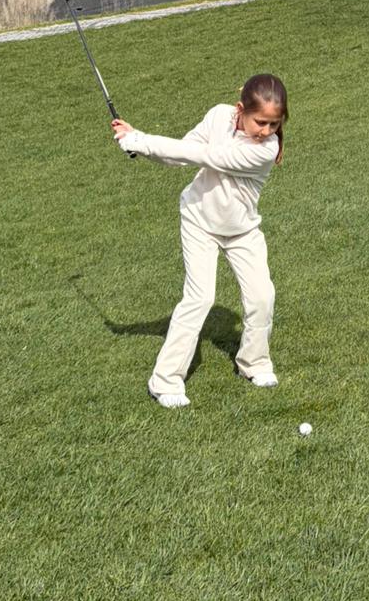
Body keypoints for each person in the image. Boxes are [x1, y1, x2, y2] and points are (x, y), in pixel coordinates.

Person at [111, 74, 288, 408]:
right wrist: (136, 142)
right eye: (261, 122)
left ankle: (254, 363)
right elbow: (180, 154)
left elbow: (202, 155)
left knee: (262, 296)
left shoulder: (266, 150)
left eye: (274, 124)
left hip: (242, 230)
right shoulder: (218, 116)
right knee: (200, 298)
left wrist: (141, 140)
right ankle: (164, 381)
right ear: (240, 109)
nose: (267, 130)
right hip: (199, 222)